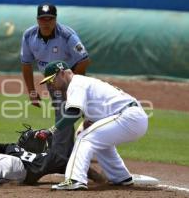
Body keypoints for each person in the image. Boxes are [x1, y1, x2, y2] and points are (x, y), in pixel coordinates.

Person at [34, 60, 148, 190]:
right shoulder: (81, 83)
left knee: (85, 138)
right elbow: (94, 111)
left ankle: (75, 179)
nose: (50, 84)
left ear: (62, 73)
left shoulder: (76, 84)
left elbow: (73, 114)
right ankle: (120, 177)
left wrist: (51, 131)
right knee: (96, 139)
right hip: (131, 117)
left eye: (51, 80)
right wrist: (86, 123)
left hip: (128, 117)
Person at [21, 3, 91, 158]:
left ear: (55, 19)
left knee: (88, 113)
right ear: (37, 20)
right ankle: (62, 154)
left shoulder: (67, 35)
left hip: (72, 77)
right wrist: (32, 91)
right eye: (43, 19)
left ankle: (82, 149)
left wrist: (71, 84)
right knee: (63, 114)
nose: (46, 22)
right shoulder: (28, 36)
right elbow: (26, 64)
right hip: (52, 81)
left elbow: (84, 60)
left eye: (50, 19)